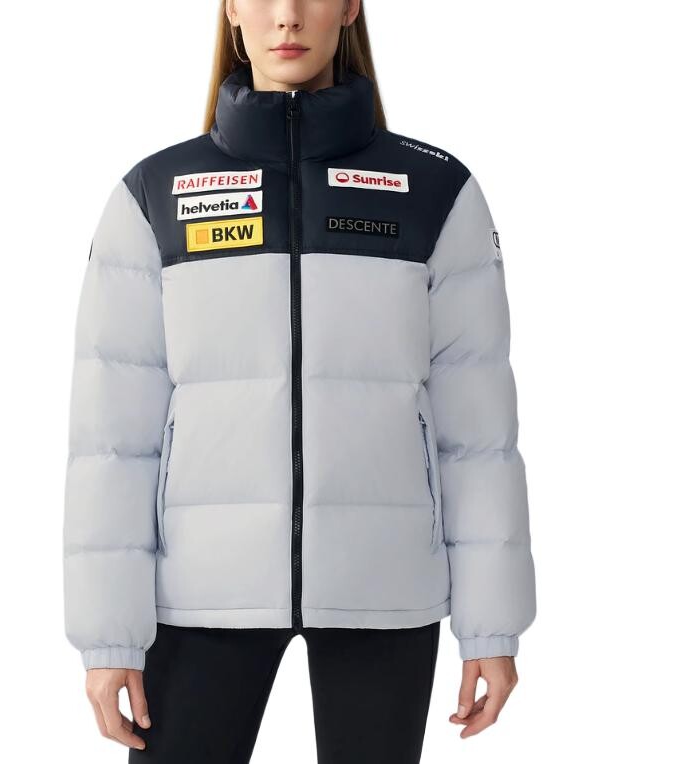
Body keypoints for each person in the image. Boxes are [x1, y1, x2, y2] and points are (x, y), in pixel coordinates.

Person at [62, 1, 537, 761]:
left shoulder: (433, 191)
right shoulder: (155, 195)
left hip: (383, 586)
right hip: (200, 591)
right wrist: (108, 637)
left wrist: (492, 626)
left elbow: (477, 435)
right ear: (231, 8)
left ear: (349, 6)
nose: (287, 16)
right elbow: (113, 442)